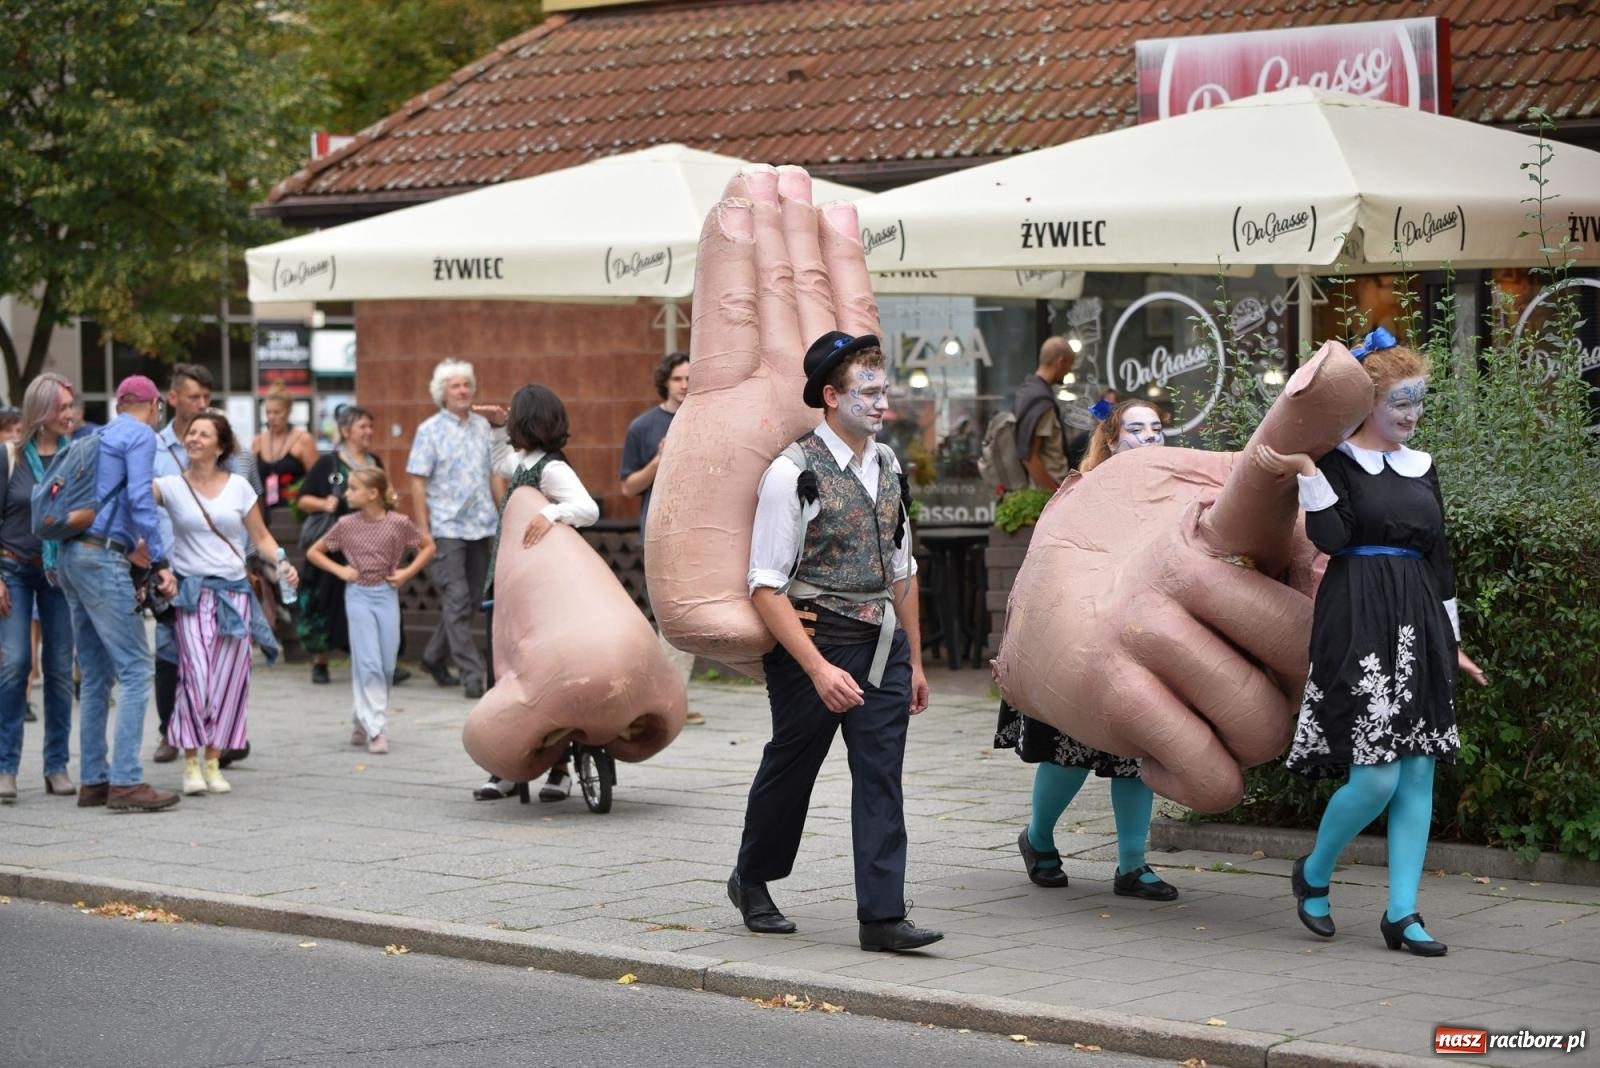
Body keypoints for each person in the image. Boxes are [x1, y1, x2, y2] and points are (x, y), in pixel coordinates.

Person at [1257, 329, 1487, 957]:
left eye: (1418, 402)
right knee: (1377, 777)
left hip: (1418, 618)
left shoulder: (1423, 466)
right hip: (1356, 614)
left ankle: (1402, 913)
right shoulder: (1335, 461)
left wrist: (1452, 639)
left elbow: (1438, 558)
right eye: (1400, 403)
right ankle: (1314, 869)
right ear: (1369, 404)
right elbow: (1330, 539)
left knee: (1418, 772)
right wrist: (1308, 471)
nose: (1412, 414)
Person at [730, 330, 941, 954]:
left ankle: (882, 917)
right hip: (813, 641)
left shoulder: (890, 464)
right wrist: (819, 670)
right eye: (867, 392)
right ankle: (752, 878)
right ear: (830, 396)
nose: (881, 403)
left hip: (882, 644)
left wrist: (916, 660)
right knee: (792, 768)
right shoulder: (791, 473)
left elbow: (902, 571)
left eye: (883, 391)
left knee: (881, 776)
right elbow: (765, 587)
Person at [994, 399, 1179, 900]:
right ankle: (1038, 838)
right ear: (1112, 441)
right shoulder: (1081, 493)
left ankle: (1132, 865)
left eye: (1156, 428)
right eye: (1137, 429)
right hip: (1077, 642)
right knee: (1068, 751)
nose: (1150, 437)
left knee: (1137, 753)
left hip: (1141, 641)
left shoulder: (1175, 493)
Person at [152, 411, 294, 796]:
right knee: (195, 676)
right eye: (191, 432)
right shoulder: (169, 486)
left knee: (229, 682)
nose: (194, 438)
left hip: (234, 595)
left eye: (204, 434)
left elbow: (260, 537)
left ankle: (213, 761)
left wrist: (282, 563)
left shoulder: (239, 488)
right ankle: (190, 762)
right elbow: (135, 501)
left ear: (221, 446)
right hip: (192, 595)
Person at [55, 375, 179, 812]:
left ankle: (94, 780)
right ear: (154, 404)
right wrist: (160, 560)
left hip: (73, 555)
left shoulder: (98, 436)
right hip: (102, 559)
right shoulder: (140, 435)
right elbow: (142, 499)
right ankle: (126, 781)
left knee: (94, 674)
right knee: (137, 668)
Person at [473, 384, 599, 800]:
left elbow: (588, 508)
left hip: (541, 591)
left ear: (526, 421)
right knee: (505, 674)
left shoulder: (551, 468)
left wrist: (552, 513)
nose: (508, 421)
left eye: (511, 416)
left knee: (542, 677)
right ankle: (508, 765)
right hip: (512, 581)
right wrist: (495, 429)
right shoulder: (525, 461)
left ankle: (558, 769)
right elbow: (500, 463)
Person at [150, 363, 266, 767]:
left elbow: (248, 513)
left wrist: (256, 560)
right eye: (194, 397)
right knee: (175, 657)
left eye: (206, 397)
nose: (201, 403)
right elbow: (138, 503)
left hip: (227, 578)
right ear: (173, 399)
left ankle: (216, 740)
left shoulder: (234, 460)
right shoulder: (153, 448)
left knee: (221, 664)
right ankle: (172, 733)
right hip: (172, 572)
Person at [305, 468, 434, 756]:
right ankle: (377, 729)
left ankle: (360, 718)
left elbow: (428, 547)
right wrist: (341, 570)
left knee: (386, 665)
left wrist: (406, 573)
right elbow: (314, 551)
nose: (346, 493)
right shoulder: (345, 524)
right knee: (368, 662)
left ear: (373, 494)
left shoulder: (398, 523)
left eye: (353, 488)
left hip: (386, 594)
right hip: (358, 596)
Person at [0, 376, 79, 803]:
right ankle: (5, 767)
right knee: (15, 664)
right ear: (40, 411)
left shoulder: (76, 456)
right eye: (61, 407)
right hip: (13, 569)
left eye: (71, 406)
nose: (70, 414)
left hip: (59, 574)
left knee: (60, 670)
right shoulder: (9, 456)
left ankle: (56, 766)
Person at [620, 351, 704, 725]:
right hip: (659, 533)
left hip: (699, 532)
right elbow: (628, 487)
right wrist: (659, 461)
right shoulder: (643, 426)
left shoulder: (706, 419)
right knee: (669, 617)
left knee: (686, 620)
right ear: (665, 383)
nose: (684, 385)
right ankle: (663, 703)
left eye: (689, 378)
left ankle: (669, 701)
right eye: (678, 379)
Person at [406, 359, 497, 700]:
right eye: (455, 386)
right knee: (457, 598)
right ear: (442, 393)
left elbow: (494, 475)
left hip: (482, 524)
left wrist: (504, 514)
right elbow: (417, 481)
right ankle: (472, 674)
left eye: (466, 384)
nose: (463, 390)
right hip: (447, 527)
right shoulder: (429, 430)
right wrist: (423, 530)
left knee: (471, 599)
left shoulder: (483, 427)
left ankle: (433, 656)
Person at [296, 405, 384, 685]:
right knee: (326, 600)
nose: (368, 432)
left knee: (369, 603)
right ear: (346, 431)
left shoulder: (375, 462)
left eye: (370, 426)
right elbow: (302, 500)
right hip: (333, 545)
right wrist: (325, 503)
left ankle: (371, 662)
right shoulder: (329, 464)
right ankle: (320, 661)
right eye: (362, 427)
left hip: (368, 544)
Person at [1014, 336, 1077, 492]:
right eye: (1070, 364)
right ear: (1060, 361)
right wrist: (1056, 494)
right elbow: (1030, 457)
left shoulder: (1028, 392)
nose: (1069, 371)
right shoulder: (1041, 402)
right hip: (1047, 494)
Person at [252, 384, 318, 519]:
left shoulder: (303, 440)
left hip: (294, 513)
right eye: (268, 412)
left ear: (288, 412)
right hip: (264, 513)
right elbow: (251, 481)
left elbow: (316, 480)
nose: (271, 417)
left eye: (277, 412)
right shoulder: (258, 441)